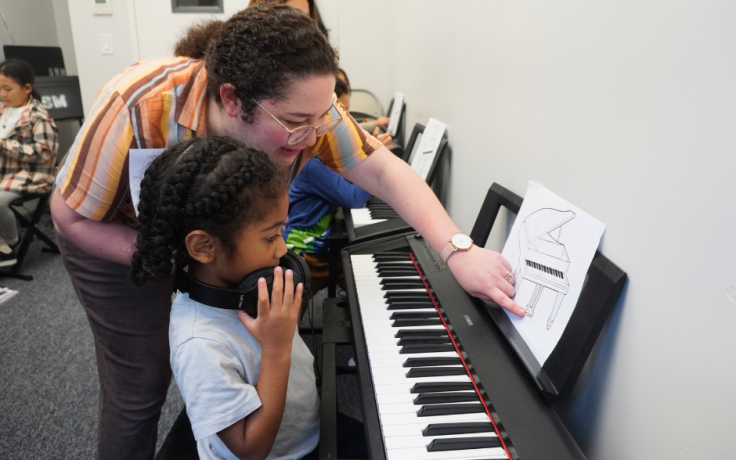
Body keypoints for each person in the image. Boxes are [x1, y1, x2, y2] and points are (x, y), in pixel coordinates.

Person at [51, 5, 522, 459]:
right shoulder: (136, 104)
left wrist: (458, 250)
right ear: (233, 100)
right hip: (115, 235)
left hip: (219, 249)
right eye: (296, 124)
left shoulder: (306, 111)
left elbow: (379, 169)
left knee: (253, 351)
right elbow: (71, 219)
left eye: (321, 120)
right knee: (140, 381)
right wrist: (186, 264)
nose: (314, 138)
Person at [132, 136, 317, 459]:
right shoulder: (200, 343)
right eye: (271, 236)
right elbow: (249, 448)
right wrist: (276, 348)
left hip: (306, 437)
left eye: (281, 231)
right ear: (204, 247)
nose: (283, 249)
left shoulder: (248, 290)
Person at [283, 155, 371, 297]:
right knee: (292, 310)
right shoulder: (313, 166)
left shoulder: (322, 163)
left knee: (363, 288)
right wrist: (369, 164)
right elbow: (354, 199)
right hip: (305, 252)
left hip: (322, 248)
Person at [0, 59, 58, 266]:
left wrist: (4, 146)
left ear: (27, 88)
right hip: (7, 174)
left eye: (8, 89)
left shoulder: (38, 116)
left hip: (32, 176)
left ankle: (10, 243)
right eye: (0, 89)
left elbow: (43, 152)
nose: (3, 94)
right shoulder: (4, 110)